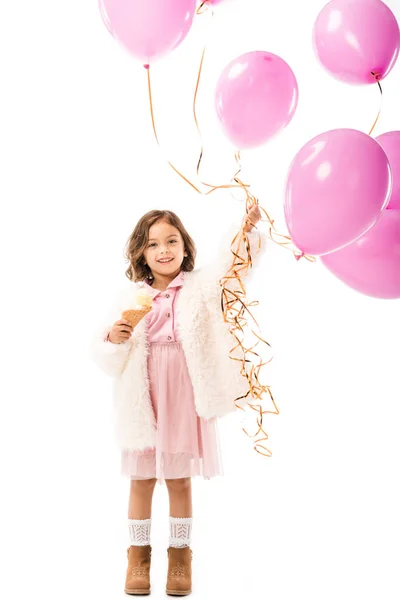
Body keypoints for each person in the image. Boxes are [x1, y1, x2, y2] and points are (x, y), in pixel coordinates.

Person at [91, 205, 265, 596]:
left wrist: (246, 229)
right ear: (141, 253)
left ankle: (180, 559)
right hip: (145, 393)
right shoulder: (130, 296)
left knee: (179, 478)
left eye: (172, 241)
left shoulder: (199, 288)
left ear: (185, 247)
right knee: (141, 477)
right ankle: (138, 559)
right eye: (153, 244)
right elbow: (105, 352)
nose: (163, 250)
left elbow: (232, 269)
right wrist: (113, 340)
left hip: (184, 391)